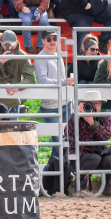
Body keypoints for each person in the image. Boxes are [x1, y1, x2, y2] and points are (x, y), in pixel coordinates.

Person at [66, 90, 111, 195]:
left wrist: (92, 123)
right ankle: (79, 187)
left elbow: (106, 136)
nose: (92, 107)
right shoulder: (77, 117)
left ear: (100, 105)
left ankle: (106, 187)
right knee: (94, 158)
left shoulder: (105, 118)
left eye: (95, 104)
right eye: (90, 104)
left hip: (98, 152)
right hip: (79, 153)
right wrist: (77, 116)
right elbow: (67, 134)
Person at [35, 30, 74, 159]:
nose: (52, 42)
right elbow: (42, 80)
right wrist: (63, 82)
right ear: (43, 41)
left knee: (64, 141)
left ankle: (57, 171)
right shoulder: (41, 58)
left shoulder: (58, 56)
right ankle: (58, 172)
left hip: (65, 102)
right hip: (50, 105)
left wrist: (70, 100)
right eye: (49, 39)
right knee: (59, 142)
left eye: (54, 39)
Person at [0, 30, 36, 114]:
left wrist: (17, 86)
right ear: (1, 43)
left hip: (13, 103)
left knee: (13, 127)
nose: (8, 47)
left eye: (10, 44)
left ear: (16, 43)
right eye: (5, 44)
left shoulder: (22, 56)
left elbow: (30, 79)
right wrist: (0, 61)